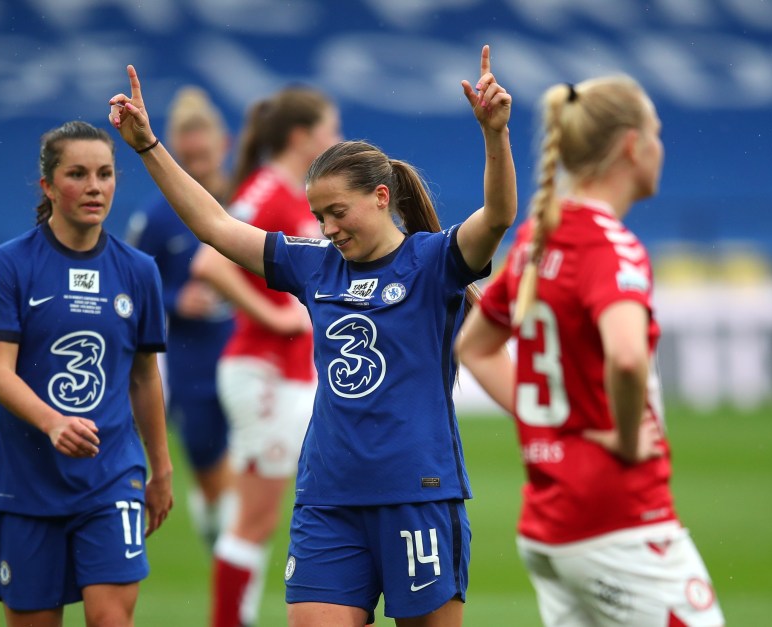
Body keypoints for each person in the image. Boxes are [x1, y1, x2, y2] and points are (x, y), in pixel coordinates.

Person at [109, 43, 515, 626]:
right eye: (319, 215)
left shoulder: (435, 262)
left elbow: (498, 215)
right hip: (328, 500)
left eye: (337, 213)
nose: (327, 228)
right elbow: (215, 226)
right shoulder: (314, 264)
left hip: (418, 494)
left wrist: (495, 135)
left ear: (381, 198)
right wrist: (149, 146)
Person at [454, 76, 725, 626]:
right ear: (631, 145)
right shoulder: (611, 245)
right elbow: (626, 356)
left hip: (550, 524)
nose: (661, 147)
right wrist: (624, 439)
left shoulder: (538, 238)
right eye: (657, 133)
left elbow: (474, 347)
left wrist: (551, 422)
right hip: (620, 521)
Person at [0, 120, 174, 627]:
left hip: (112, 477)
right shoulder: (12, 263)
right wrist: (53, 422)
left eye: (105, 174)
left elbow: (145, 376)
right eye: (77, 174)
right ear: (48, 186)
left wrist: (160, 467)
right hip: (26, 483)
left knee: (111, 620)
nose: (94, 187)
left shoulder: (138, 271)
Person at [189, 84, 342, 627]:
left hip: (292, 374)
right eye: (331, 130)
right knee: (253, 518)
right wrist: (274, 315)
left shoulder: (296, 193)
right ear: (301, 137)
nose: (337, 140)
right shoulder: (266, 190)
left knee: (265, 514)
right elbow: (210, 264)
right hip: (264, 369)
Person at [124, 86, 237, 552]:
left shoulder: (252, 200)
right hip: (193, 367)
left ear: (223, 145)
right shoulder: (156, 219)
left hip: (251, 356)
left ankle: (236, 548)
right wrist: (173, 298)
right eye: (185, 156)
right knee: (209, 464)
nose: (196, 163)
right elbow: (130, 284)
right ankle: (222, 534)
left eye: (202, 153)